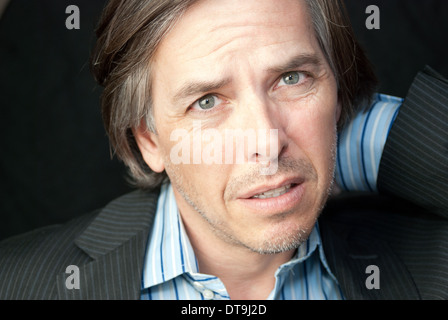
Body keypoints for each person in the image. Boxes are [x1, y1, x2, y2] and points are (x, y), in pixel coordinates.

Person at [0, 0, 447, 300]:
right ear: (150, 140)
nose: (266, 140)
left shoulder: (427, 264)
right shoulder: (19, 283)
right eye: (207, 101)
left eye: (293, 78)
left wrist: (361, 138)